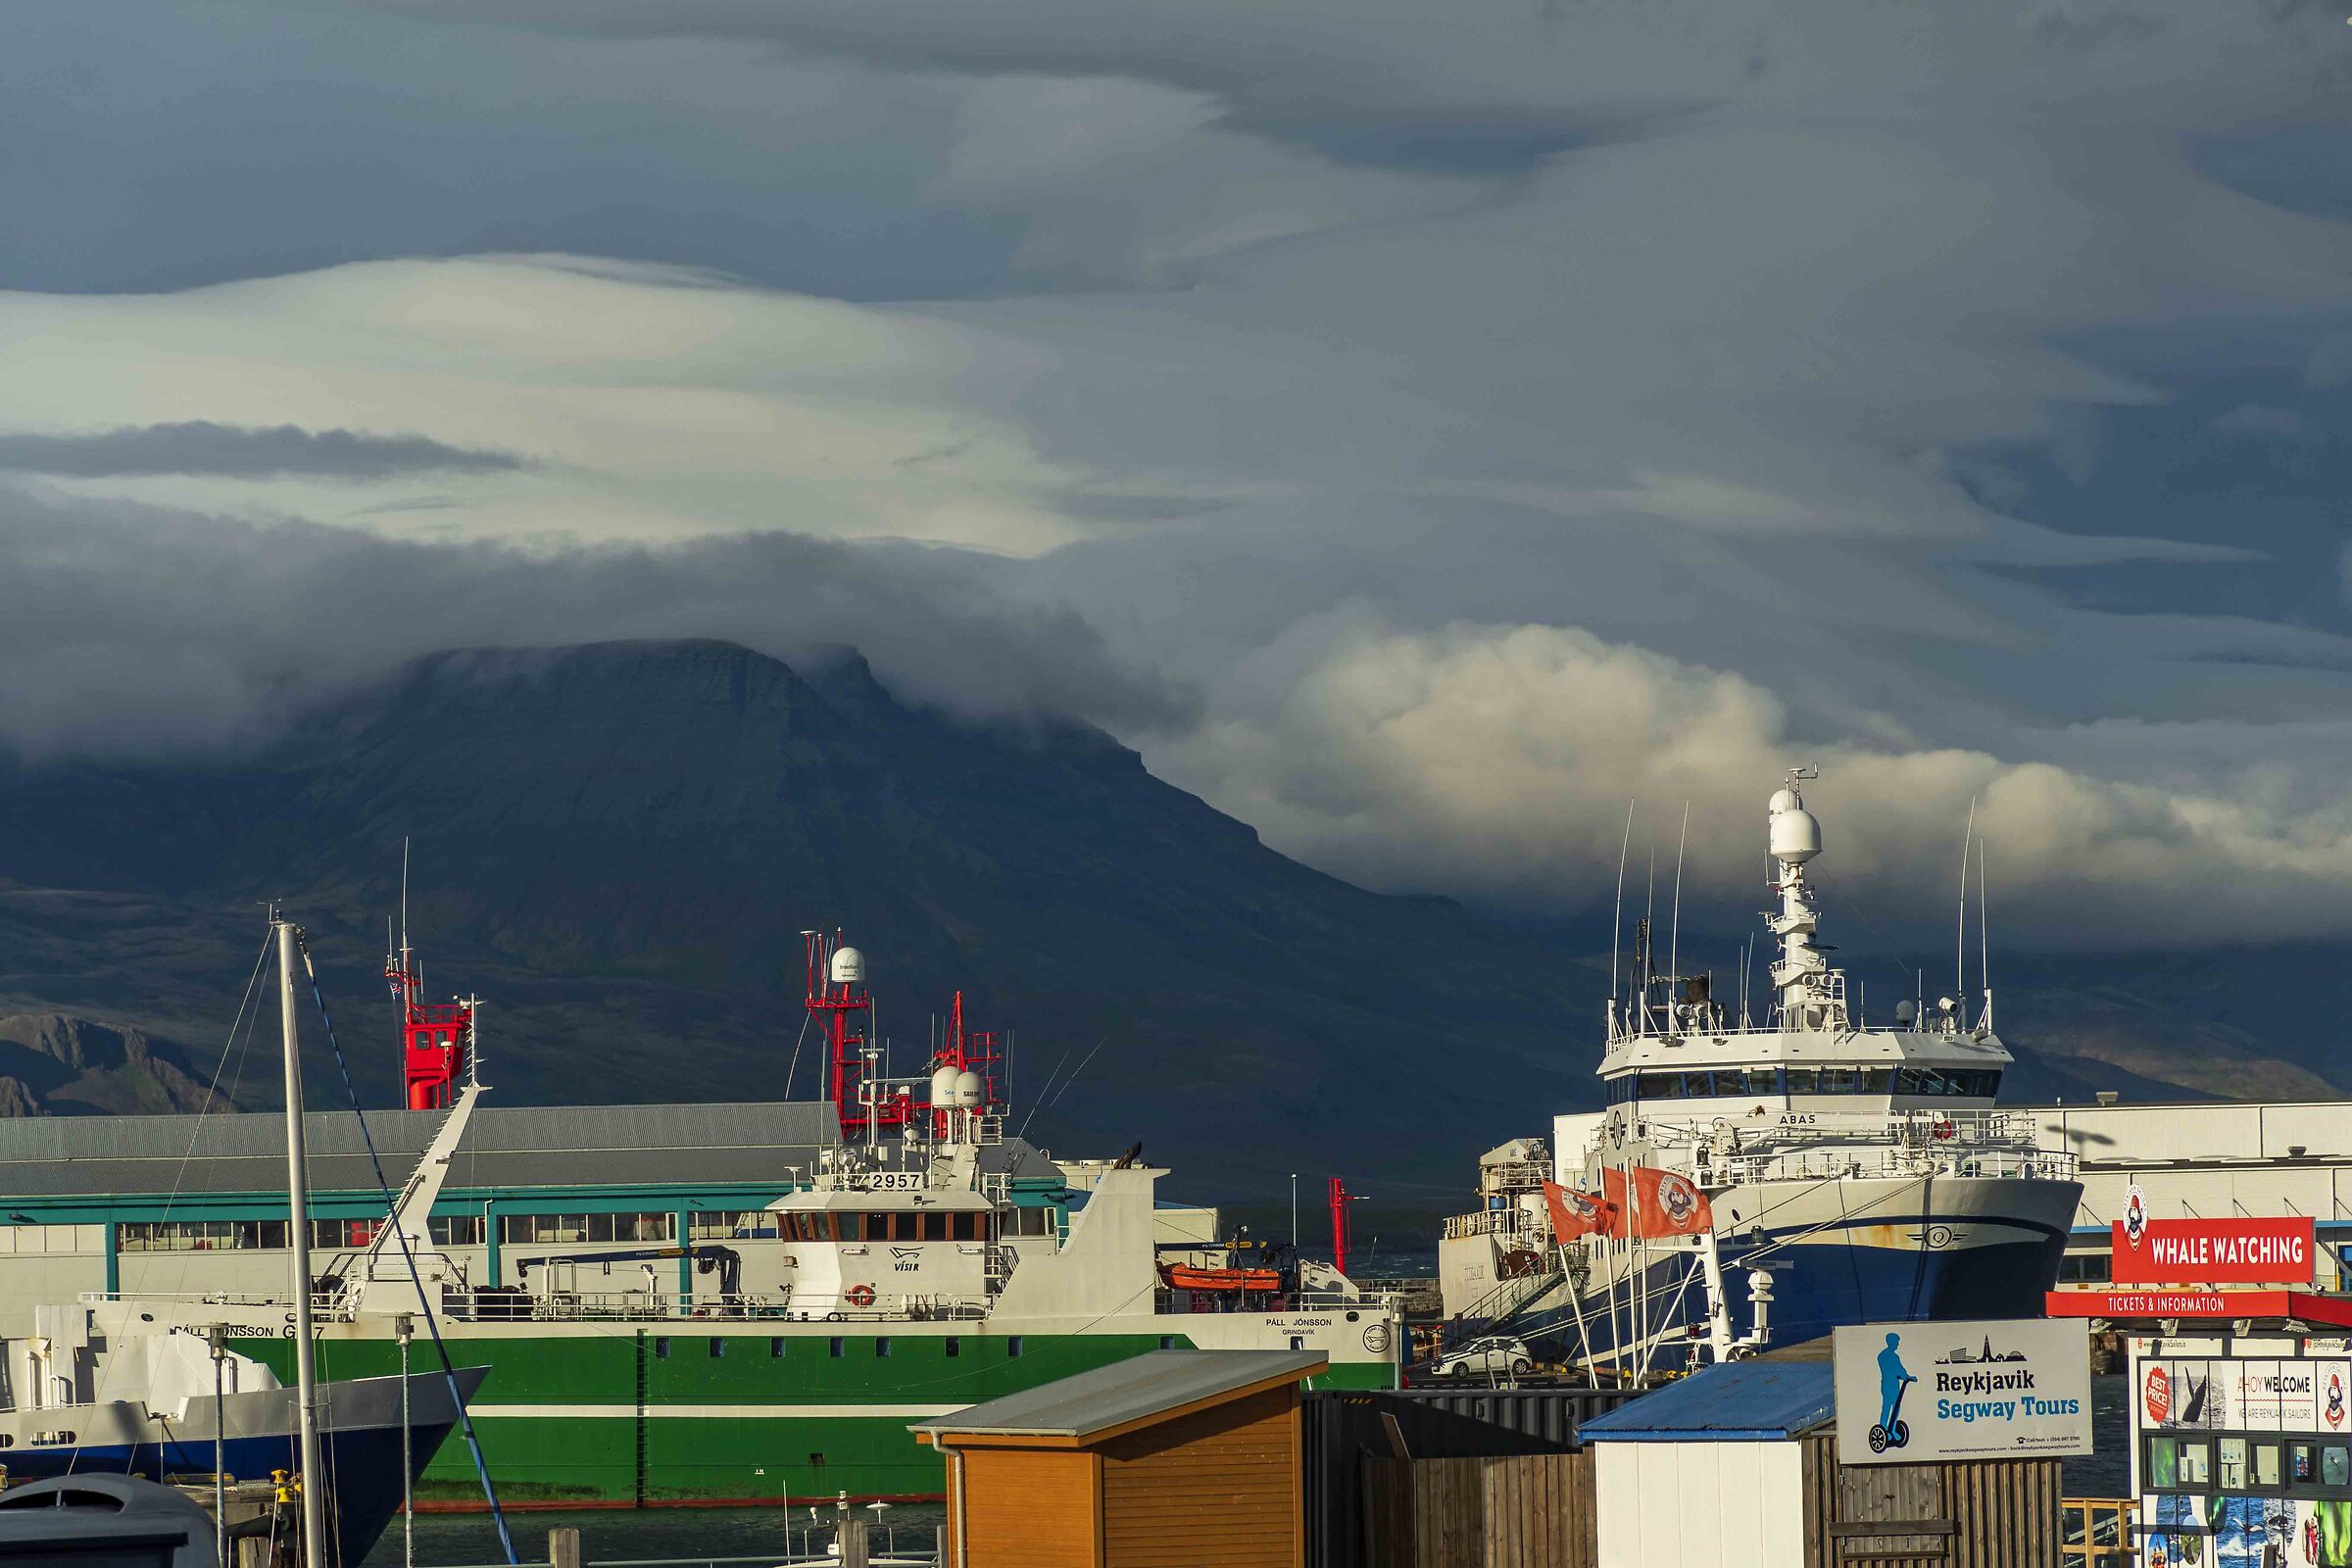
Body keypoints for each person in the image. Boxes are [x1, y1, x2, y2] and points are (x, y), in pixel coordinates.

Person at [1878, 1332, 1914, 1433]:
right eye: (1896, 1342)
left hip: (1895, 1386)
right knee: (1887, 1406)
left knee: (1896, 1408)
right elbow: (1886, 1370)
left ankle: (1892, 1430)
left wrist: (1907, 1376)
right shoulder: (1883, 1355)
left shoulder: (1895, 1357)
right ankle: (1884, 1429)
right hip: (1887, 1385)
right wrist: (1897, 1375)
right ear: (1890, 1342)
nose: (1898, 1344)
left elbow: (1900, 1368)